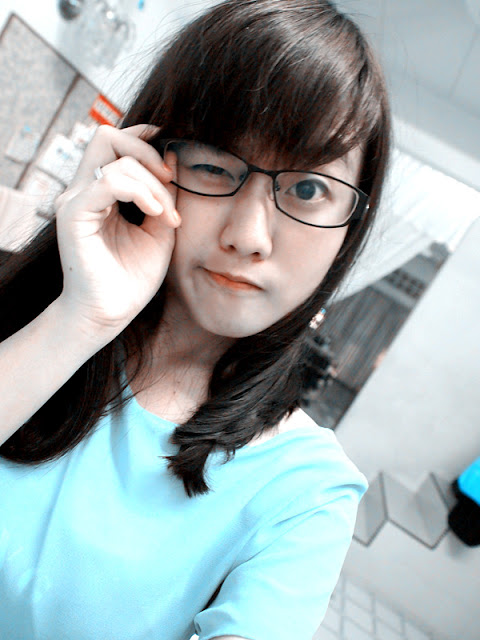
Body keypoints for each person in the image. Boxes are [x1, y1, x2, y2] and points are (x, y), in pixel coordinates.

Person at [0, 1, 390, 638]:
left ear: (350, 227)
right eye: (213, 164)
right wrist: (80, 318)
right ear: (145, 159)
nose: (249, 236)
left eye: (307, 189)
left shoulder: (305, 492)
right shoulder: (25, 315)